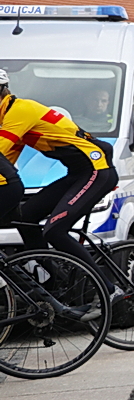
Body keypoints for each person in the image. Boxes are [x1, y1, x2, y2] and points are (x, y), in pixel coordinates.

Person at [0, 68, 124, 302]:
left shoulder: (20, 110)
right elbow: (7, 163)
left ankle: (108, 291)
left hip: (96, 170)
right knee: (26, 217)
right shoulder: (7, 115)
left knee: (56, 229)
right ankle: (52, 281)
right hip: (78, 172)